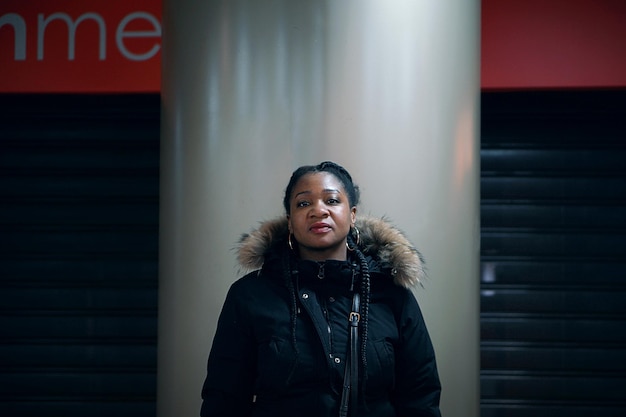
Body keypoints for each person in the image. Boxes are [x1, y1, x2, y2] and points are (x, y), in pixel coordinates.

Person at [200, 161, 442, 417]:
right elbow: (225, 399)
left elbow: (420, 397)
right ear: (290, 222)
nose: (319, 210)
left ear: (352, 215)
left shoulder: (391, 294)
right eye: (303, 204)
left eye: (332, 201)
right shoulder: (250, 295)